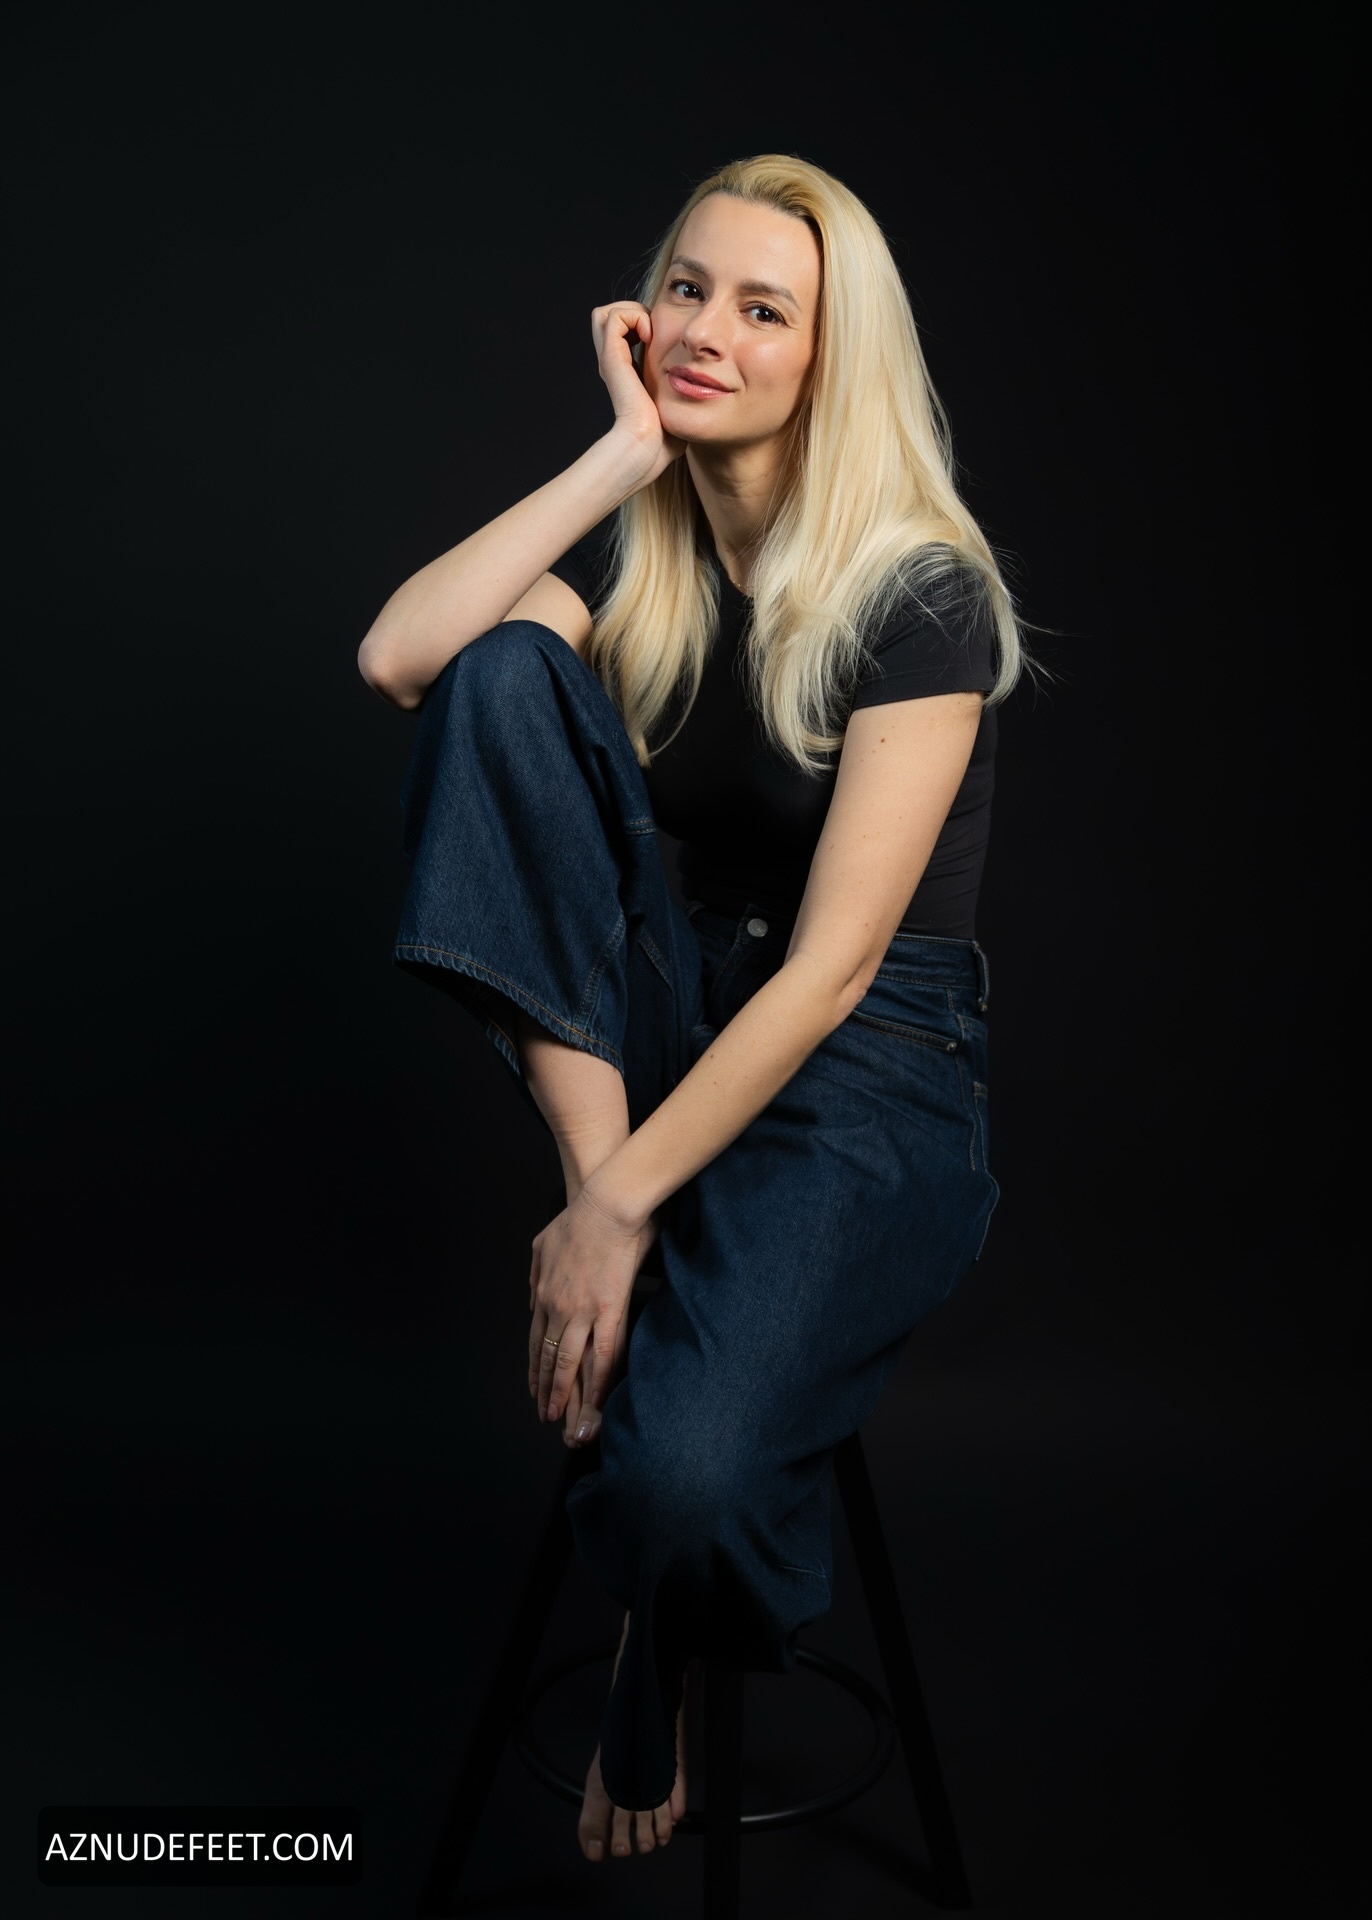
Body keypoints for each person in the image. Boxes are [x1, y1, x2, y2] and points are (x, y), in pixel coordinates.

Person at [358, 153, 1022, 1864]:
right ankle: (625, 1216)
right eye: (687, 288)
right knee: (507, 670)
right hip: (677, 1014)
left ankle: (651, 1653)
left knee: (685, 1488)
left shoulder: (918, 591)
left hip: (870, 1067)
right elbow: (406, 662)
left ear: (831, 355)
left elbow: (835, 970)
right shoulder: (648, 566)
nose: (707, 329)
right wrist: (620, 455)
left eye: (764, 308)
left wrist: (615, 1214)